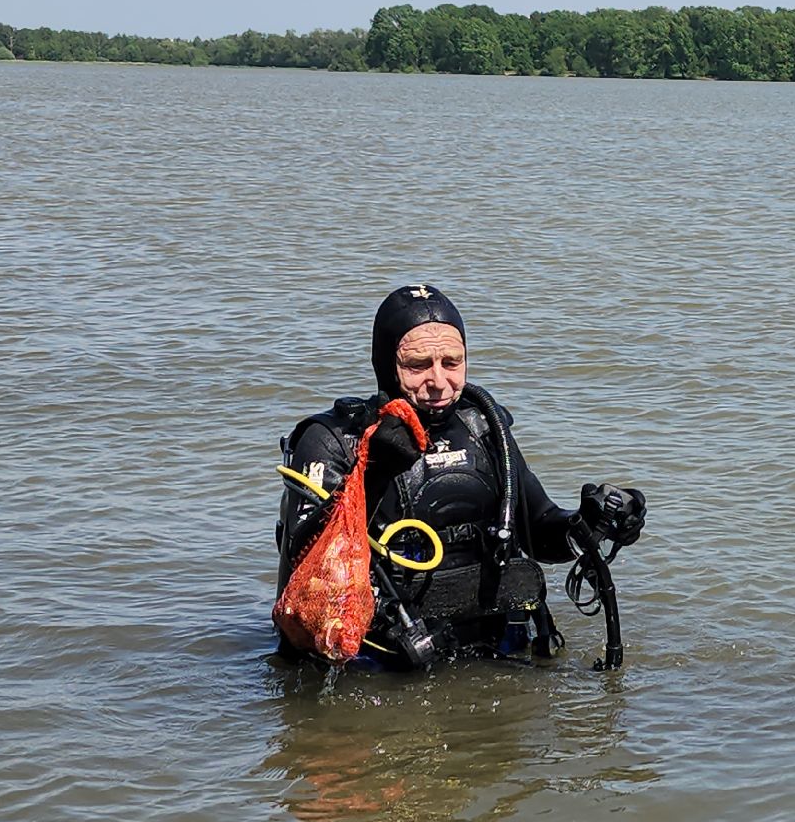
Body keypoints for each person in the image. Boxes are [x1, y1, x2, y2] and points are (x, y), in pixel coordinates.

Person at [274, 284, 645, 669]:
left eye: (451, 362)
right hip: (380, 668)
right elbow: (305, 586)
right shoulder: (336, 442)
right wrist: (372, 474)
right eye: (418, 365)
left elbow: (540, 534)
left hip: (495, 657)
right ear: (385, 364)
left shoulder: (484, 427)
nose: (438, 381)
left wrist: (593, 523)